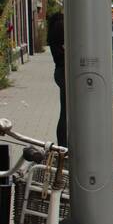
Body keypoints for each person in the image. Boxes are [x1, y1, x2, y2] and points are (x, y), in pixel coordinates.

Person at [47, 12, 67, 147]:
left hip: (61, 72)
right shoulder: (60, 25)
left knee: (65, 113)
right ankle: (63, 147)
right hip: (64, 72)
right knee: (66, 114)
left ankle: (63, 146)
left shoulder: (56, 26)